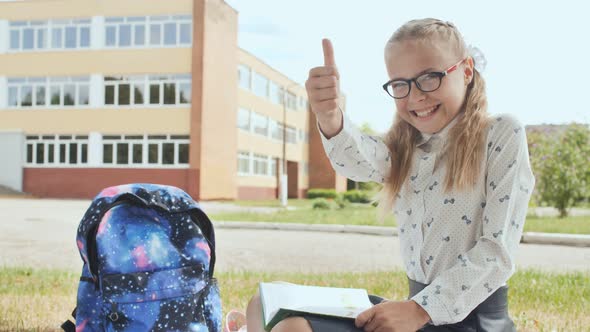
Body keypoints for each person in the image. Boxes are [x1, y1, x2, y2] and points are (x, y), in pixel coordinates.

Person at [244, 18, 535, 332]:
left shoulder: (501, 132)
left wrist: (420, 309)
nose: (415, 96)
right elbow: (357, 160)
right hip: (414, 312)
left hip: (471, 322)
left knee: (292, 329)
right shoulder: (407, 148)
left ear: (466, 70)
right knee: (262, 304)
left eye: (430, 77)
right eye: (400, 84)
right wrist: (330, 116)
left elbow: (497, 251)